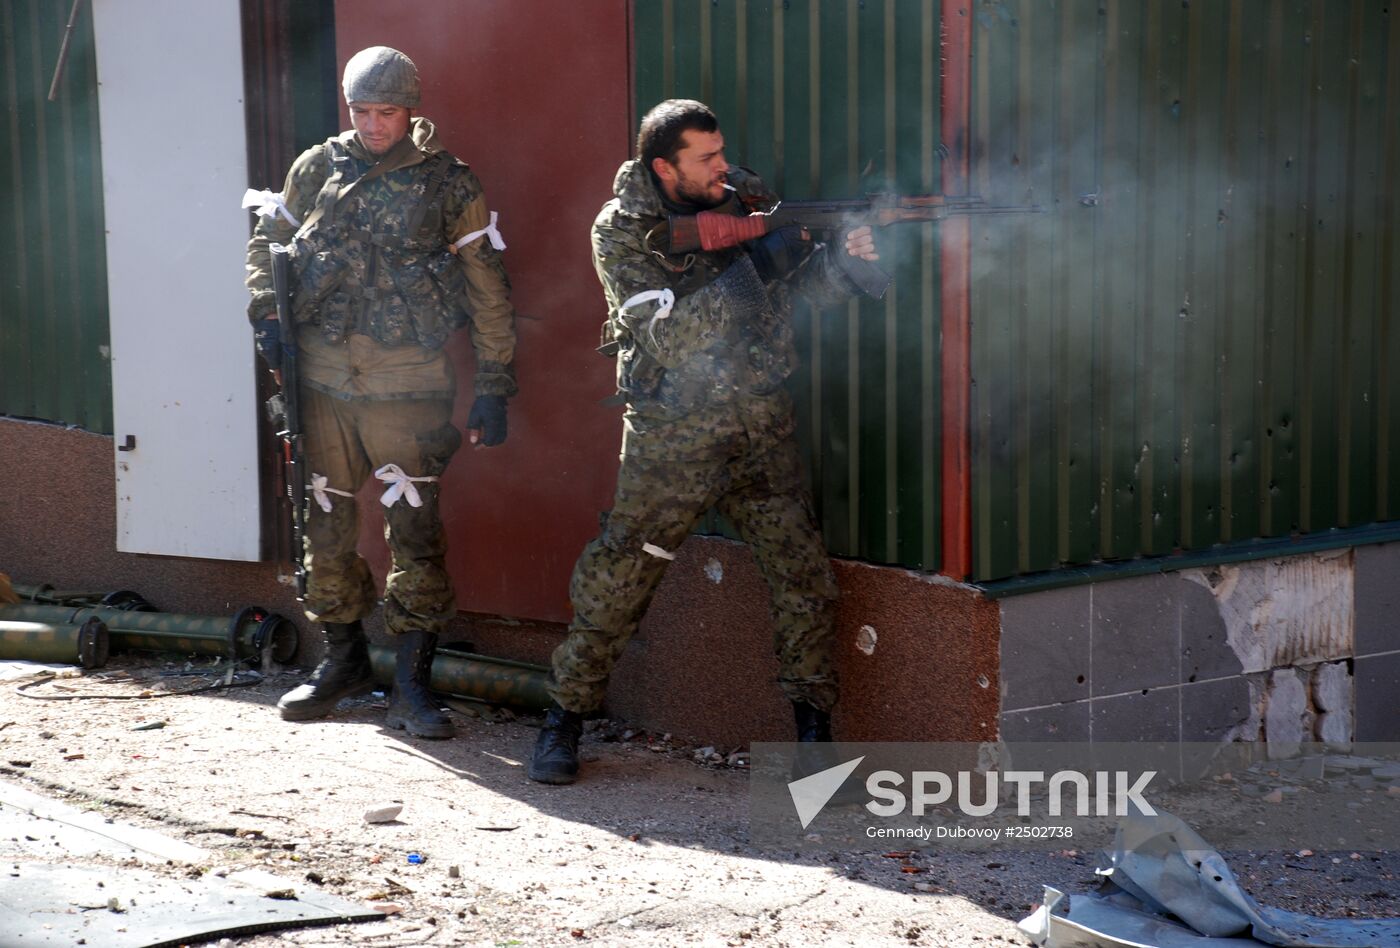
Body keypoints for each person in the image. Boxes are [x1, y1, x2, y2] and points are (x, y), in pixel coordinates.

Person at [529, 99, 879, 784]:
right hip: (673, 438)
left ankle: (815, 746)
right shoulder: (622, 230)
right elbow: (669, 338)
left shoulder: (745, 197)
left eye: (721, 150)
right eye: (706, 158)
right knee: (620, 576)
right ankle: (562, 720)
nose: (724, 166)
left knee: (805, 580)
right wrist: (760, 267)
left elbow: (801, 290)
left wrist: (845, 266)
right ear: (665, 167)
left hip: (761, 424)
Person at [244, 46, 517, 739]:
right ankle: (344, 660)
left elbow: (487, 287)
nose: (372, 125)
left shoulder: (449, 182)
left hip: (407, 382)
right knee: (323, 522)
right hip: (321, 379)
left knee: (414, 531)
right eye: (361, 111)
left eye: (386, 112)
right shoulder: (317, 167)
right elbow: (268, 243)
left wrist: (494, 382)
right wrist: (267, 316)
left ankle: (413, 684)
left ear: (410, 109)